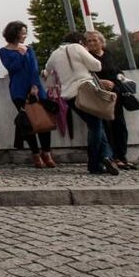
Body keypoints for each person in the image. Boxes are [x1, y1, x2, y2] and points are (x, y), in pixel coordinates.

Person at [46, 32, 118, 175]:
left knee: (96, 124)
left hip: (69, 96)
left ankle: (106, 157)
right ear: (80, 41)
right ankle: (94, 163)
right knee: (96, 126)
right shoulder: (77, 48)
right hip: (85, 90)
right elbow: (97, 66)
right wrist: (85, 52)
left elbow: (48, 70)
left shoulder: (55, 54)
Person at [0, 21, 55, 168]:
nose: (25, 35)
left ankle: (46, 152)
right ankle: (35, 153)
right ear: (14, 33)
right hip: (18, 90)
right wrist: (20, 54)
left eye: (25, 32)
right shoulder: (4, 51)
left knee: (43, 120)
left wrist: (34, 85)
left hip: (35, 88)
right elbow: (12, 68)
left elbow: (34, 67)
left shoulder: (30, 48)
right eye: (22, 32)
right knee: (28, 122)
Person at [83, 31, 137, 170]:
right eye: (89, 41)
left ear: (101, 41)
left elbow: (116, 70)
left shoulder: (107, 54)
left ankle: (122, 156)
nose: (92, 43)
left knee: (120, 126)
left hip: (116, 94)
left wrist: (120, 77)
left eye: (94, 40)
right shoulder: (87, 57)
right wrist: (100, 81)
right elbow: (85, 75)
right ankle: (111, 157)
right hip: (101, 96)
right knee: (107, 127)